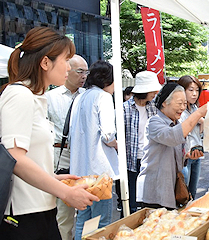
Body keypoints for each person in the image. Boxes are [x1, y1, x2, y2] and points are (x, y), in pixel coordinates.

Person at [0, 26, 98, 239]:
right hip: (23, 216)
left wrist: (55, 179)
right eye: (66, 60)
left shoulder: (35, 98)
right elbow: (14, 158)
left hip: (41, 208)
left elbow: (28, 158)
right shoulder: (19, 94)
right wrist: (66, 192)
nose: (69, 68)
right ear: (45, 62)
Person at [136, 83, 209, 209]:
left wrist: (187, 156)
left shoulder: (176, 123)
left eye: (185, 103)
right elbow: (172, 137)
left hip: (171, 189)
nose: (183, 108)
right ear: (164, 103)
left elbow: (173, 152)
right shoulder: (154, 122)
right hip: (155, 192)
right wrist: (199, 112)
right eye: (179, 103)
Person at [69, 60, 119, 240]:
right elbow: (108, 135)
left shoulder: (80, 97)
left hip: (80, 169)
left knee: (83, 217)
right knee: (101, 221)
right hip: (100, 171)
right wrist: (117, 144)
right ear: (107, 80)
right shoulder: (103, 97)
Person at [45, 54, 88, 240]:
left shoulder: (88, 97)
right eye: (80, 71)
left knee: (85, 206)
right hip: (59, 155)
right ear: (68, 70)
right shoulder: (50, 97)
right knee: (63, 210)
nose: (84, 76)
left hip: (84, 156)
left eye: (87, 72)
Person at [122, 71, 162, 214]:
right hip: (132, 161)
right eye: (152, 89)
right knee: (132, 202)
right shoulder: (124, 108)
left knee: (149, 201)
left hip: (151, 159)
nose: (155, 92)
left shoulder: (153, 107)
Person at [178, 75, 204, 199]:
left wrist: (202, 122)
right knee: (184, 195)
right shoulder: (179, 110)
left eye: (197, 90)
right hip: (185, 158)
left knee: (193, 194)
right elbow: (182, 131)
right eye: (191, 90)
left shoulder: (194, 107)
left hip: (196, 154)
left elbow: (199, 132)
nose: (194, 94)